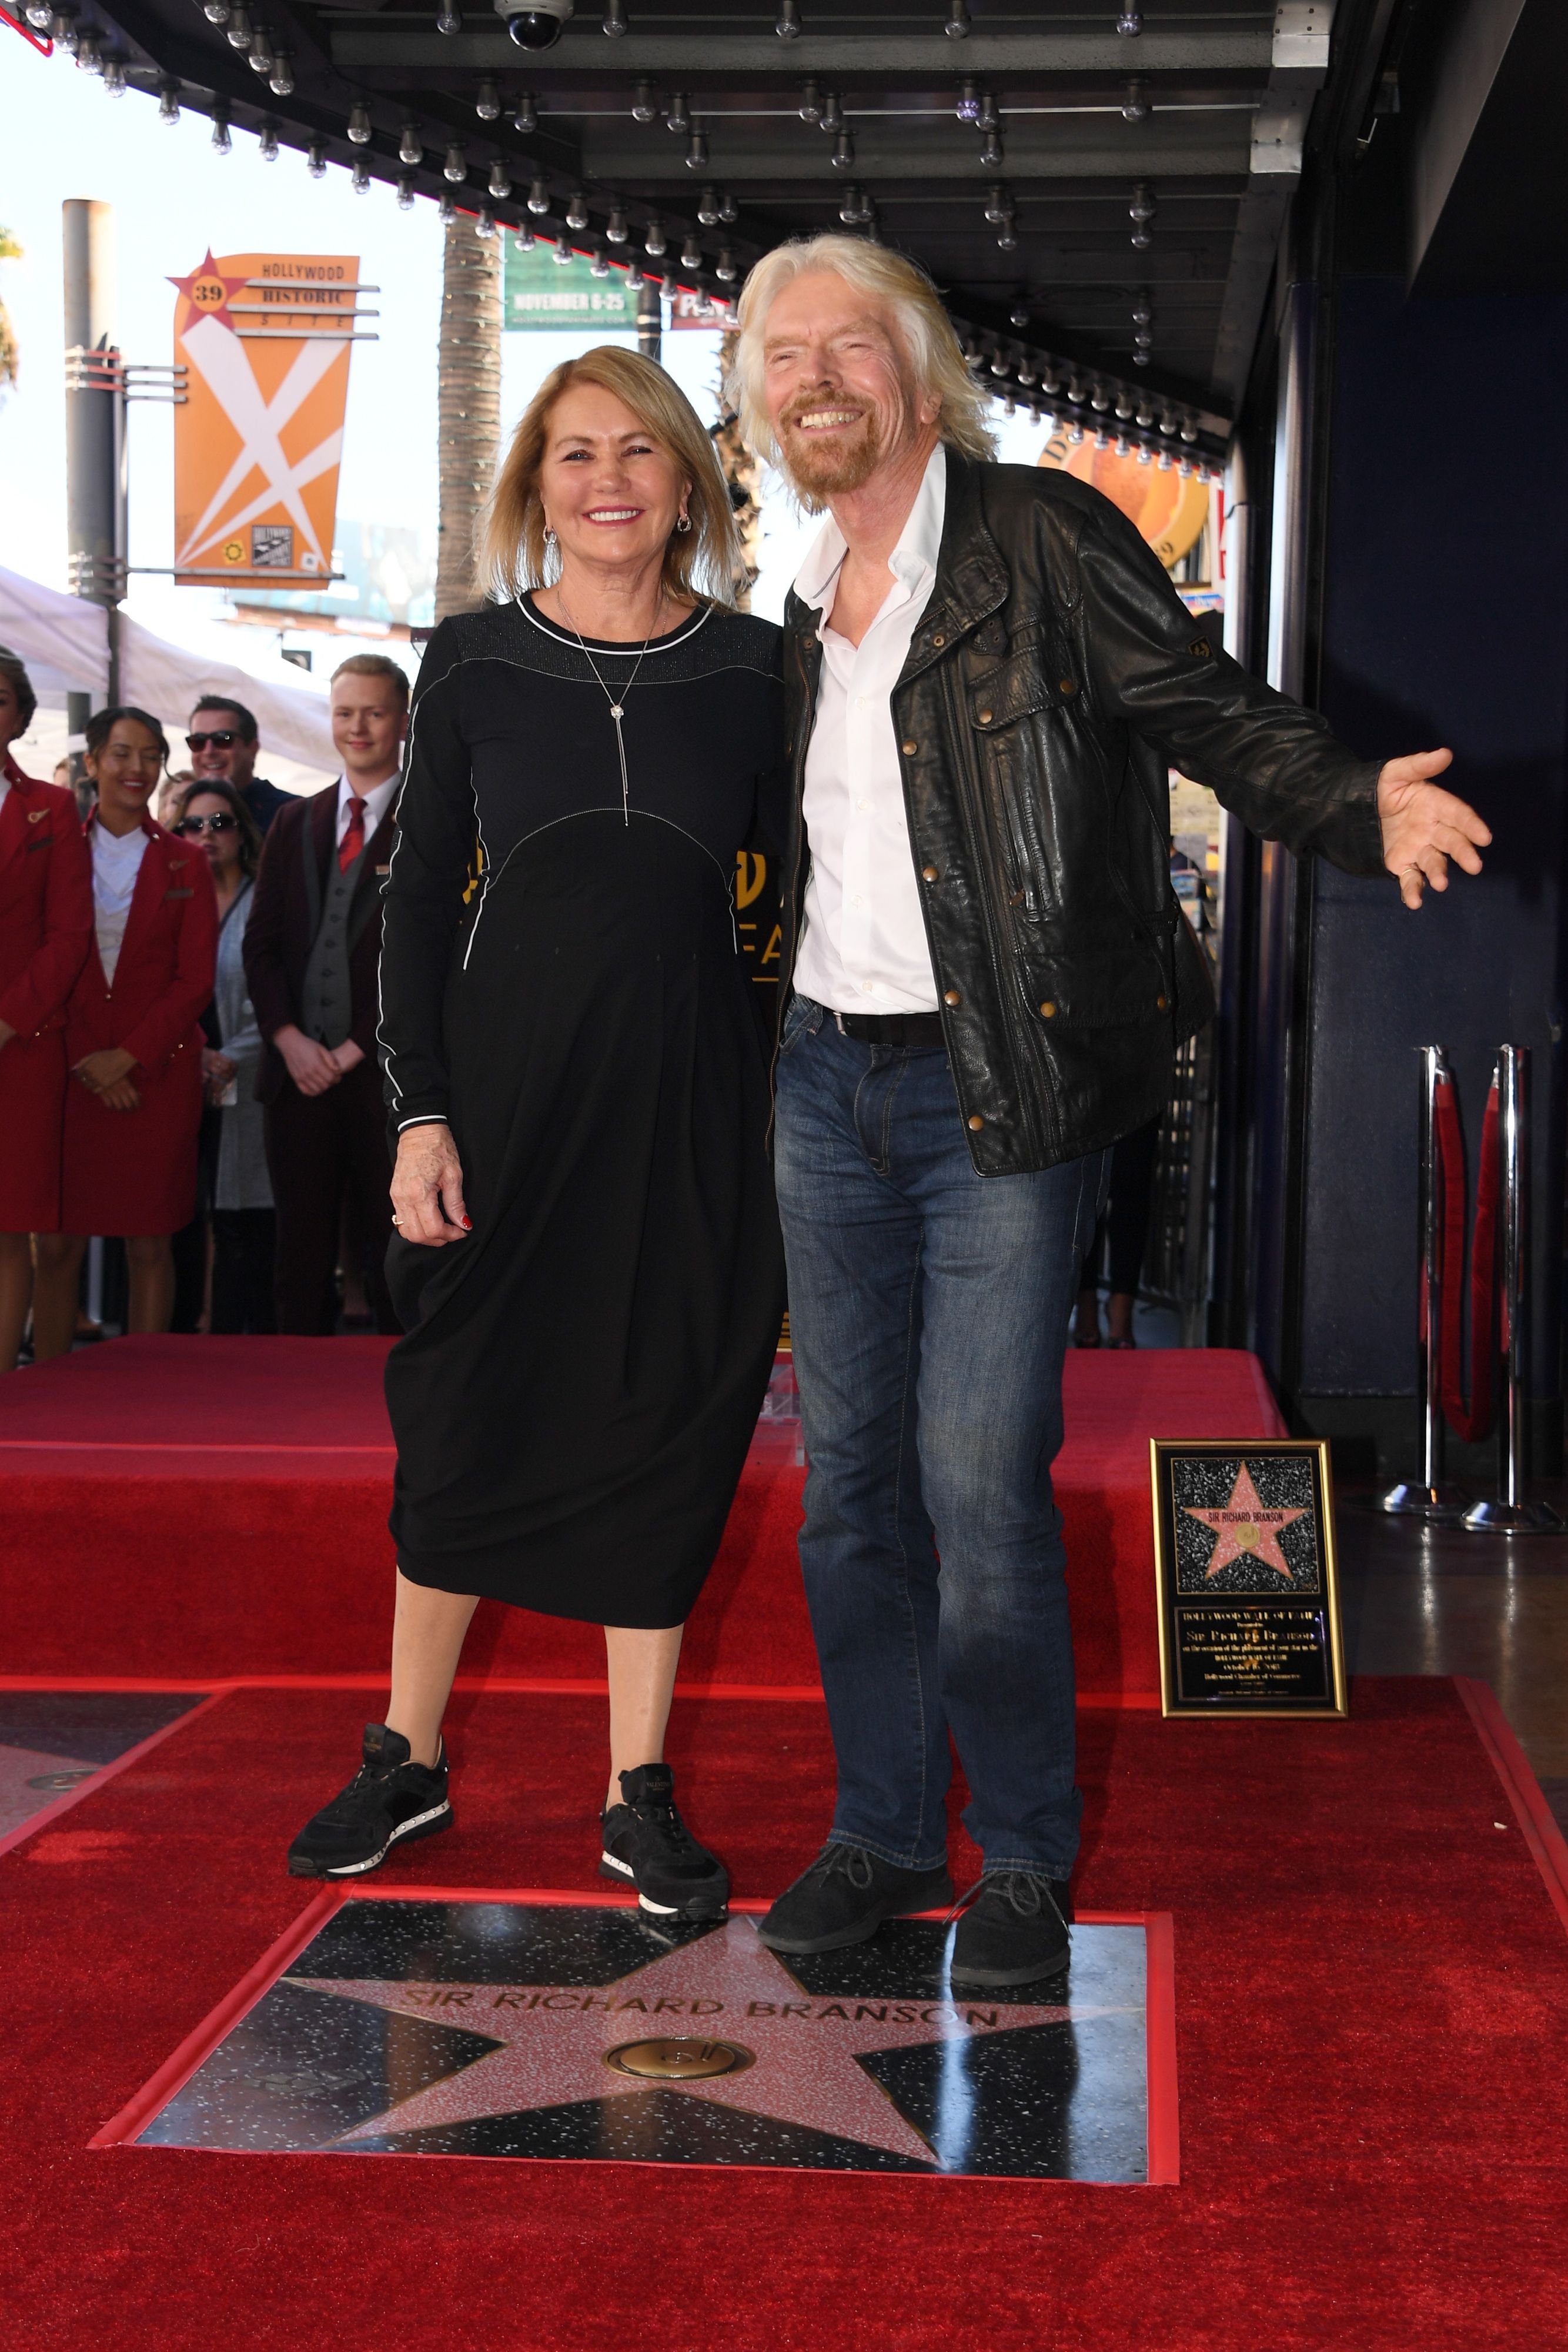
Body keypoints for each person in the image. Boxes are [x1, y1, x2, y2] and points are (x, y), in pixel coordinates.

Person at [727, 235, 1490, 1990]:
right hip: (821, 1079)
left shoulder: (1044, 537)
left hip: (1003, 1077)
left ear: (921, 378)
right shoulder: (790, 597)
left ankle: (1026, 1853)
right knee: (847, 1491)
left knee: (975, 1482)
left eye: (850, 345)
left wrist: (1348, 796)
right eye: (785, 353)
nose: (816, 376)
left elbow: (1200, 706)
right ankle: (883, 1828)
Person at [286, 348, 785, 1915]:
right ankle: (405, 1755)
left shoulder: (763, 672)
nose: (608, 481)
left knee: (668, 1410)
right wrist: (418, 1109)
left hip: (695, 1104)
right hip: (499, 1104)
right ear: (534, 488)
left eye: (638, 451)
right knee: (463, 1408)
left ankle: (639, 1790)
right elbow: (414, 901)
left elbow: (823, 901)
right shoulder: (474, 663)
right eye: (573, 456)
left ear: (687, 483)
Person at [32, 709, 218, 1355]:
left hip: (156, 1077)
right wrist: (91, 1058)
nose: (136, 769)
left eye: (150, 755)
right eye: (120, 754)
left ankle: (146, 1393)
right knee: (53, 1246)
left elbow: (194, 980)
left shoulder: (186, 863)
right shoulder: (54, 851)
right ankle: (48, 1395)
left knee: (151, 1243)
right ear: (91, 764)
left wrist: (130, 1057)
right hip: (64, 1071)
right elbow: (46, 961)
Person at [242, 656, 409, 1337]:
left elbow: (435, 957)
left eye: (373, 712)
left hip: (388, 1079)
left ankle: (402, 1404)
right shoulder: (294, 822)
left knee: (395, 1248)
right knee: (300, 1251)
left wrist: (353, 1047)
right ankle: (289, 1404)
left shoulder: (437, 821)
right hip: (296, 1077)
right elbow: (263, 947)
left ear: (402, 720)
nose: (358, 727)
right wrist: (287, 1039)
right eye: (345, 713)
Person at [0, 650, 93, 1372]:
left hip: (22, 1046)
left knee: (9, 1228)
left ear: (21, 715)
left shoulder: (53, 807)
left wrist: (10, 1019)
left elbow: (68, 934)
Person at [171, 777, 275, 1334]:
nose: (206, 835)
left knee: (242, 1214)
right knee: (177, 1209)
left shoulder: (266, 899)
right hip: (171, 1072)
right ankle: (180, 1328)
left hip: (245, 1073)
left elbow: (285, 993)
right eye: (192, 824)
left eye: (220, 823)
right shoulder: (164, 898)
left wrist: (228, 1056)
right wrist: (190, 1053)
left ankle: (236, 1328)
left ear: (241, 831)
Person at [1074, 1115, 1160, 1348]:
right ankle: (1086, 1301)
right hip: (1079, 1085)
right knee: (1085, 1186)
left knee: (1134, 1187)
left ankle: (1122, 1306)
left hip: (1138, 1086)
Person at [186, 696, 290, 836]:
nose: (209, 751)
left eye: (223, 739)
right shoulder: (180, 818)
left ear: (252, 748)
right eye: (198, 741)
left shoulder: (290, 815)